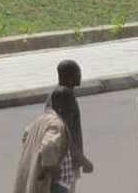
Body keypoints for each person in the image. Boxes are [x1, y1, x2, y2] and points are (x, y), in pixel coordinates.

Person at [14, 86, 77, 193]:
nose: (73, 111)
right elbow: (49, 146)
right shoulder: (57, 124)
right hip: (56, 184)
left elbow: (26, 135)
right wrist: (51, 169)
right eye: (71, 107)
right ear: (61, 108)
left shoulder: (41, 119)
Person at [48, 60, 94, 188]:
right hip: (65, 162)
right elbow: (65, 135)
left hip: (68, 161)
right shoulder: (64, 97)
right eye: (77, 72)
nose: (80, 75)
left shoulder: (59, 95)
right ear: (70, 77)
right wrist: (82, 160)